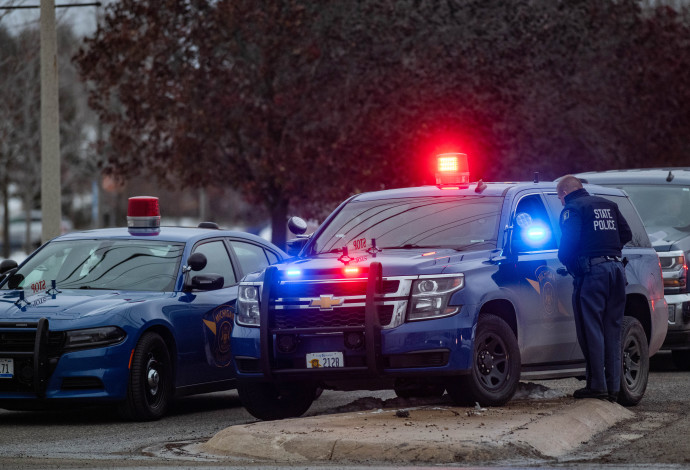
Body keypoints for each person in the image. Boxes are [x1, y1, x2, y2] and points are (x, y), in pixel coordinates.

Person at [556, 175, 632, 402]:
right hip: (617, 271)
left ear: (564, 194)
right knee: (612, 330)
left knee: (591, 330)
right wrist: (609, 250)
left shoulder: (572, 208)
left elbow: (568, 244)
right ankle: (613, 388)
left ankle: (597, 386)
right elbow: (626, 234)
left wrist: (572, 263)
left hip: (593, 274)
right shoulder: (608, 205)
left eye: (560, 199)